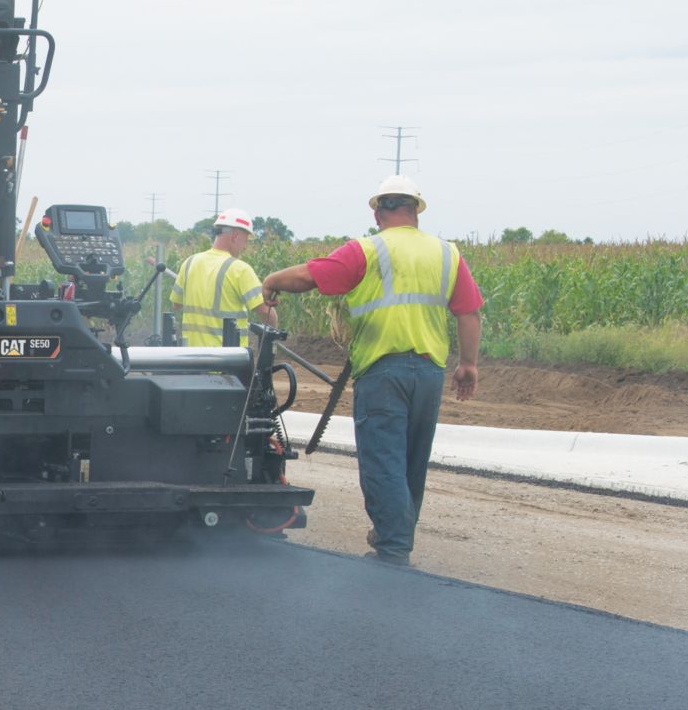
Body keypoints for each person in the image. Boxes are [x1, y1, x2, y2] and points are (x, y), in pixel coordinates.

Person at [260, 177, 481, 565]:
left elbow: (311, 276)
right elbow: (469, 312)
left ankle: (393, 551)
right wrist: (467, 364)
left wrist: (273, 280)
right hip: (429, 373)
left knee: (384, 460)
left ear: (378, 212)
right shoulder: (447, 254)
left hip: (383, 372)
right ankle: (396, 537)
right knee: (412, 460)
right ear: (416, 211)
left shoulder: (369, 249)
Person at [173, 211, 277, 345]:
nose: (244, 247)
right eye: (245, 240)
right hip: (228, 360)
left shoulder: (189, 263)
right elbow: (265, 311)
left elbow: (176, 304)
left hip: (191, 359)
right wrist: (273, 334)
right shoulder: (240, 269)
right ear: (235, 235)